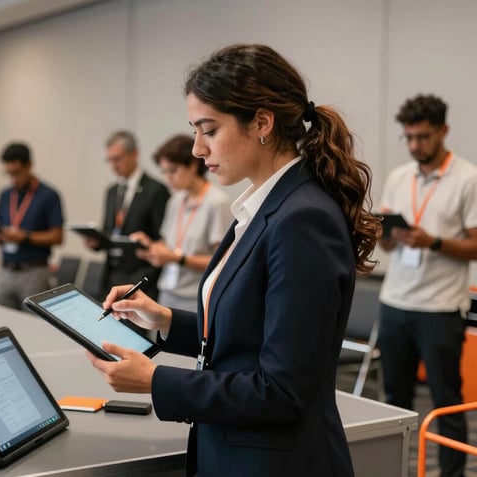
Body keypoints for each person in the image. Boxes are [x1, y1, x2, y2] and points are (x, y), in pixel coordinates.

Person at [86, 44, 380, 477]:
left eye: (208, 130)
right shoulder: (266, 206)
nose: (197, 149)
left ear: (262, 122)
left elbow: (279, 390)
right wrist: (165, 319)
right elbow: (249, 336)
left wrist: (156, 381)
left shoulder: (302, 220)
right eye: (194, 130)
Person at [377, 94, 477, 477]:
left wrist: (432, 241)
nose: (416, 145)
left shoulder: (467, 179)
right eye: (410, 138)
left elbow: (475, 245)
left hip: (440, 309)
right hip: (395, 302)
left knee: (445, 401)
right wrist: (385, 234)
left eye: (423, 137)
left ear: (443, 131)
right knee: (393, 402)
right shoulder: (399, 177)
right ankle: (392, 469)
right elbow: (387, 242)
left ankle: (451, 473)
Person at [130, 134, 231, 311]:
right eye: (164, 172)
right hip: (167, 294)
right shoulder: (176, 201)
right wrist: (150, 247)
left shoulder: (216, 203)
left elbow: (222, 263)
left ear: (192, 166)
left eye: (173, 171)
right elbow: (167, 245)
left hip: (196, 300)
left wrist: (179, 259)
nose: (168, 178)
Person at [83, 130, 170, 300]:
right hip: (110, 276)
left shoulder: (156, 190)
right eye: (110, 160)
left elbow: (163, 239)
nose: (113, 165)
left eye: (118, 159)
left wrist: (146, 279)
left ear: (134, 154)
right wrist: (96, 242)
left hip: (140, 278)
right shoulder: (112, 191)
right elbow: (111, 232)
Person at [0, 143, 64, 310]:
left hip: (34, 272)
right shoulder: (5, 195)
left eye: (17, 173)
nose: (13, 178)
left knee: (33, 327)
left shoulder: (48, 195)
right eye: (9, 173)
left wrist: (26, 237)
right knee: (2, 320)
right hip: (6, 270)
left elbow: (57, 236)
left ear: (29, 166)